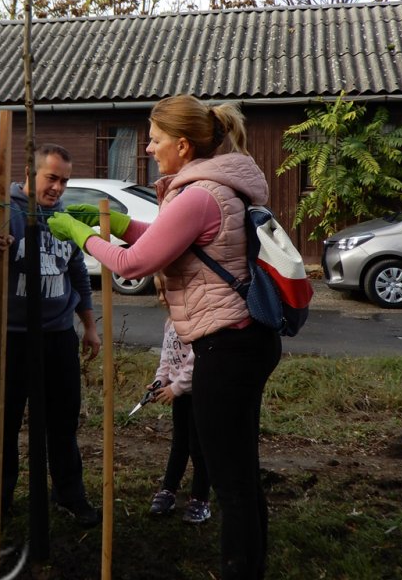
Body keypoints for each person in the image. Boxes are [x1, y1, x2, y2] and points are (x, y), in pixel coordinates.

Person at [48, 95, 282, 579]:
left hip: (227, 346)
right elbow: (166, 237)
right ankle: (252, 562)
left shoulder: (199, 194)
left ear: (181, 144)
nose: (148, 149)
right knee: (239, 465)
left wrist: (79, 233)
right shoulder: (214, 186)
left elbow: (136, 263)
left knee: (229, 476)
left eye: (154, 140)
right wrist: (116, 225)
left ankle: (242, 569)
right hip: (244, 341)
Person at [0, 143, 102, 528]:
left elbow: (77, 272)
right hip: (11, 335)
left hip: (58, 335)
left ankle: (69, 495)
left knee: (62, 422)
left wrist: (90, 326)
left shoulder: (63, 217)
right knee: (5, 423)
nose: (58, 187)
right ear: (30, 174)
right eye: (52, 178)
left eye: (64, 180)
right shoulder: (4, 208)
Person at [147, 275, 211, 524]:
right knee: (179, 444)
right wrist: (160, 381)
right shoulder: (170, 323)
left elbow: (196, 363)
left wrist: (177, 387)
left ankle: (200, 499)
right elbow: (167, 358)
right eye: (158, 292)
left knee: (199, 447)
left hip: (197, 394)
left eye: (167, 291)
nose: (162, 298)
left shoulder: (196, 322)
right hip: (179, 393)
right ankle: (168, 490)